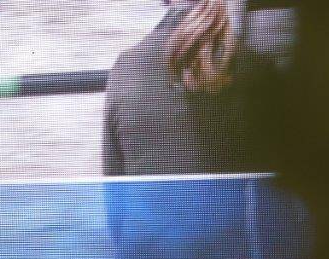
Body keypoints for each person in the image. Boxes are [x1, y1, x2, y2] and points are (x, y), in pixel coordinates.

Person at [103, 0, 261, 177]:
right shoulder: (255, 68)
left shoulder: (125, 68)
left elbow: (112, 180)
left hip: (153, 197)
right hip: (232, 196)